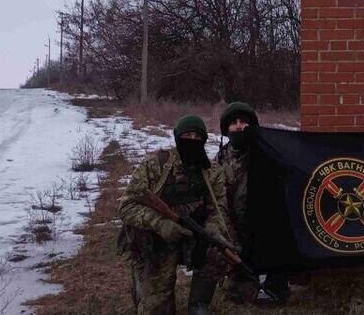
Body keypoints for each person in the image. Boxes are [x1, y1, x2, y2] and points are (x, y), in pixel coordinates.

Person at [117, 115, 232, 315]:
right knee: (157, 309)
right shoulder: (156, 164)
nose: (192, 140)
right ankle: (145, 288)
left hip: (192, 236)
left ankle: (199, 305)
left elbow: (218, 209)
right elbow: (126, 206)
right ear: (178, 138)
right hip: (155, 239)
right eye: (187, 135)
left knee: (218, 249)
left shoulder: (211, 171)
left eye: (197, 136)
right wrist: (160, 224)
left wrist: (213, 230)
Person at [215, 101, 290, 303]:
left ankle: (275, 284)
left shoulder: (266, 152)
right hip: (235, 226)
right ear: (226, 128)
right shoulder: (221, 158)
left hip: (264, 225)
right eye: (234, 123)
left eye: (244, 122)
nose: (239, 126)